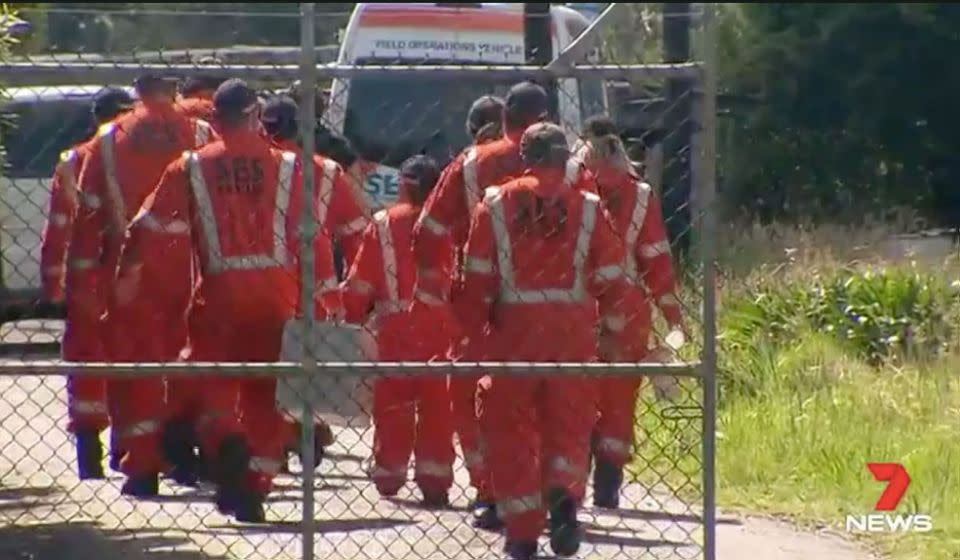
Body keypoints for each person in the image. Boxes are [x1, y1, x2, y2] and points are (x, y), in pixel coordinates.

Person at [115, 79, 343, 522]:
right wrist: (324, 295)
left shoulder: (191, 167)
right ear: (257, 116)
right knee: (268, 393)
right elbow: (313, 235)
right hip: (276, 293)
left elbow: (145, 225)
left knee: (213, 387)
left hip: (218, 292)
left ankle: (223, 450)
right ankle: (253, 484)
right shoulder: (291, 168)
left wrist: (129, 274)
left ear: (215, 121)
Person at [412, 82, 590, 528]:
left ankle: (493, 494)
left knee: (483, 397)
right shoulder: (572, 174)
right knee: (556, 402)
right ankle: (554, 491)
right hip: (563, 306)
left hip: (485, 300)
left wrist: (440, 285)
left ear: (504, 116)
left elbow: (428, 229)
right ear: (545, 119)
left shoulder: (473, 163)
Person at [453, 123, 632, 560]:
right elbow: (613, 279)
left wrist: (473, 334)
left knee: (510, 431)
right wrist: (612, 329)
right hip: (571, 336)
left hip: (513, 335)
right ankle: (564, 496)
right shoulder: (588, 206)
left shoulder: (495, 203)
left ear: (526, 157)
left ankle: (521, 535)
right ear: (565, 156)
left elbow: (474, 279)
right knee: (568, 427)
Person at [67, 72, 215, 497]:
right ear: (171, 93)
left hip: (129, 269)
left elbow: (87, 216)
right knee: (191, 361)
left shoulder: (109, 140)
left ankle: (142, 463)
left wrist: (84, 282)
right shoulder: (200, 132)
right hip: (191, 264)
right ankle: (187, 452)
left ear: (136, 95)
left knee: (135, 368)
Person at [573, 116, 684, 509]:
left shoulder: (573, 189)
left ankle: (571, 481)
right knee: (619, 398)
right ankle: (608, 484)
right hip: (628, 305)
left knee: (573, 391)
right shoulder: (639, 194)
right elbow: (655, 258)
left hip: (577, 304)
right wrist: (671, 314)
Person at [341, 155, 458, 507]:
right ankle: (435, 480)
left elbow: (361, 283)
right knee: (439, 405)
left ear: (403, 185)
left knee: (393, 403)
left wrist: (353, 315)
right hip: (441, 327)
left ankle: (389, 473)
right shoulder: (451, 225)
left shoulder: (384, 223)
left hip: (395, 328)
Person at [42, 86, 134, 480]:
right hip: (129, 275)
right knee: (131, 358)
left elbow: (58, 229)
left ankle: (90, 453)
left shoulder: (72, 161)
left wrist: (53, 287)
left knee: (86, 362)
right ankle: (127, 450)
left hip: (86, 280)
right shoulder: (137, 159)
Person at [261, 94, 370, 263]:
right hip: (318, 257)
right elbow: (355, 221)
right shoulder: (329, 160)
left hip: (264, 260)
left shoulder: (252, 163)